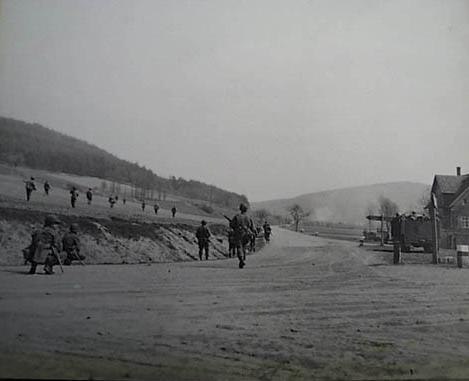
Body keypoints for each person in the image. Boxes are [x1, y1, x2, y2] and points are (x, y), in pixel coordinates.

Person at [230, 203, 254, 268]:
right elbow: (252, 227)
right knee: (244, 246)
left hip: (239, 234)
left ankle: (241, 260)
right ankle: (243, 259)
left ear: (240, 209)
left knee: (239, 247)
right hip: (247, 234)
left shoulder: (237, 216)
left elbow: (232, 225)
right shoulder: (249, 217)